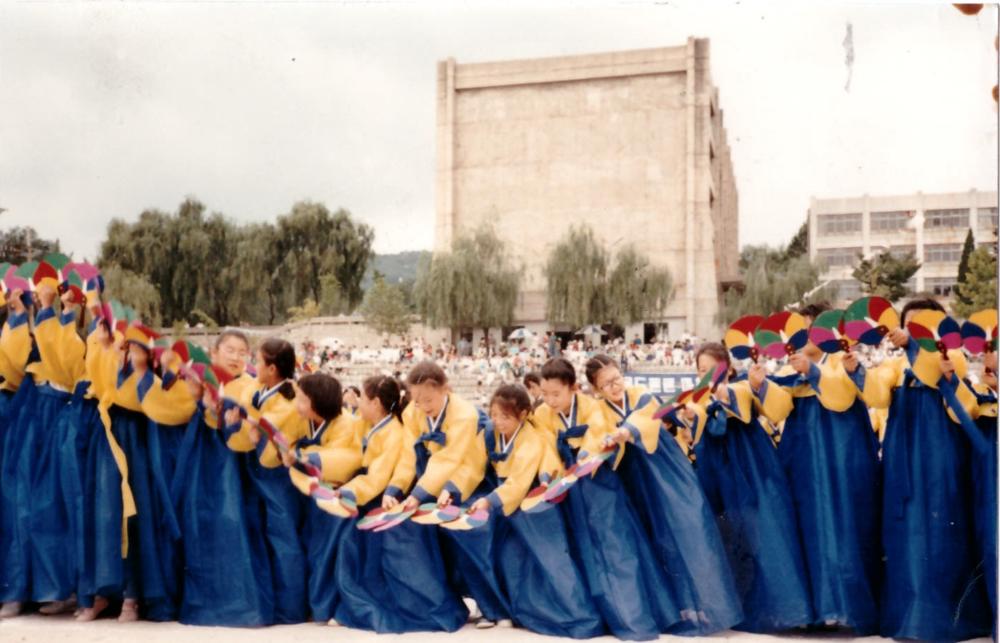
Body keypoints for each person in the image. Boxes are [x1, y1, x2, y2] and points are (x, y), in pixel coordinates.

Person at [848, 298, 991, 640]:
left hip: (940, 451)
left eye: (923, 325)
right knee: (904, 529)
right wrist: (856, 369)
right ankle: (908, 617)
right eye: (909, 325)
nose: (912, 332)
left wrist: (915, 345)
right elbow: (879, 397)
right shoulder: (893, 365)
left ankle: (944, 619)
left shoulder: (949, 357)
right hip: (902, 452)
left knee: (941, 526)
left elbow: (943, 386)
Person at [586, 353, 743, 636]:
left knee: (691, 528)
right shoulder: (598, 410)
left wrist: (624, 432)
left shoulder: (641, 393)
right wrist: (600, 444)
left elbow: (646, 417)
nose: (614, 386)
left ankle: (714, 608)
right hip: (637, 479)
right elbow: (595, 435)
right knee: (659, 539)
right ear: (596, 389)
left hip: (666, 469)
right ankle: (676, 611)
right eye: (606, 384)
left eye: (616, 378)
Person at [532, 357, 678, 641]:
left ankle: (633, 619)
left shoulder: (592, 406)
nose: (549, 400)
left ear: (574, 388)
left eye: (556, 394)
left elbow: (598, 431)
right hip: (569, 484)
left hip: (599, 479)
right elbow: (545, 448)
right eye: (545, 394)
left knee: (616, 546)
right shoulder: (541, 415)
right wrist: (548, 475)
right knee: (584, 548)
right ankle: (601, 615)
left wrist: (587, 456)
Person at [689, 343, 812, 632]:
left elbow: (742, 403)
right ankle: (736, 606)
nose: (704, 376)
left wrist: (725, 392)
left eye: (711, 370)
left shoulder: (741, 387)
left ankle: (780, 609)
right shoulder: (697, 399)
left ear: (728, 369)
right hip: (715, 468)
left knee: (764, 532)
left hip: (749, 465)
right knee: (728, 534)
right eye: (700, 371)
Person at [222, 338, 309, 624]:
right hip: (254, 467)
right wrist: (238, 422)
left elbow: (268, 430)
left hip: (278, 472)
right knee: (261, 533)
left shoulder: (291, 398)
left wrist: (250, 425)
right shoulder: (257, 389)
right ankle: (270, 601)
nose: (253, 366)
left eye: (257, 361)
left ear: (272, 368)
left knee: (284, 535)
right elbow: (247, 428)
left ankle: (291, 607)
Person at [284, 373, 362, 625]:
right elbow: (286, 442)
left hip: (337, 496)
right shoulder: (301, 419)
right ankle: (315, 606)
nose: (298, 403)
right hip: (308, 495)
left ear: (316, 401)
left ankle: (329, 607)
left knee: (329, 553)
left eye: (302, 398)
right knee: (311, 549)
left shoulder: (347, 423)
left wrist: (303, 455)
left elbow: (347, 458)